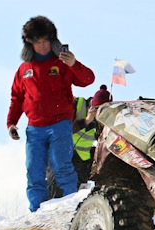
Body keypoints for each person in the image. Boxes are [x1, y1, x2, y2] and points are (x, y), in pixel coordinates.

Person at [7, 15, 95, 211]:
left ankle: (71, 206)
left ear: (52, 40)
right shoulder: (23, 69)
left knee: (61, 166)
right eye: (37, 42)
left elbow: (88, 79)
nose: (42, 46)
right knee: (34, 171)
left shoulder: (63, 62)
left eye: (46, 40)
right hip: (34, 128)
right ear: (29, 44)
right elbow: (16, 98)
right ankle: (36, 210)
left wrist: (74, 64)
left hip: (60, 124)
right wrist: (12, 122)